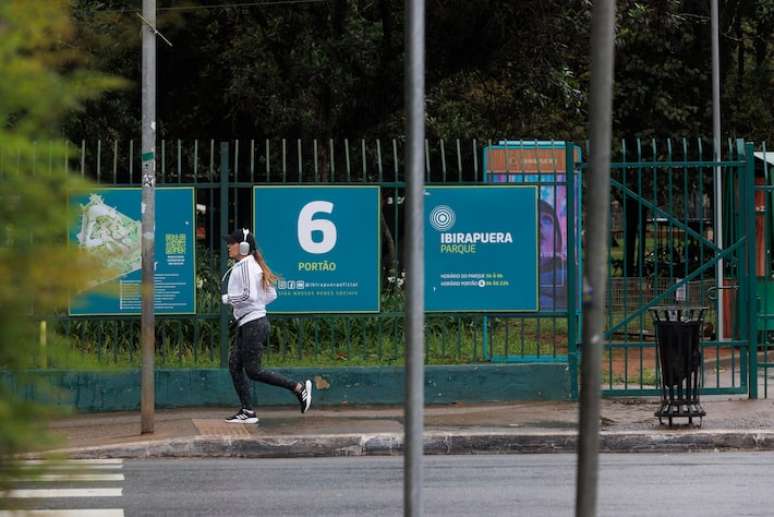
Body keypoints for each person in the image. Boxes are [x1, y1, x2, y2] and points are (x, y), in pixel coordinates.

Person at [221, 228, 312, 423]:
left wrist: (228, 299)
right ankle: (248, 411)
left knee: (253, 370)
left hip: (253, 324)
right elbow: (271, 295)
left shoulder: (245, 265)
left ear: (243, 247)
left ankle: (298, 387)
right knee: (235, 365)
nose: (228, 245)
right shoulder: (251, 264)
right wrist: (255, 309)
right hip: (250, 322)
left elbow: (248, 296)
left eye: (232, 242)